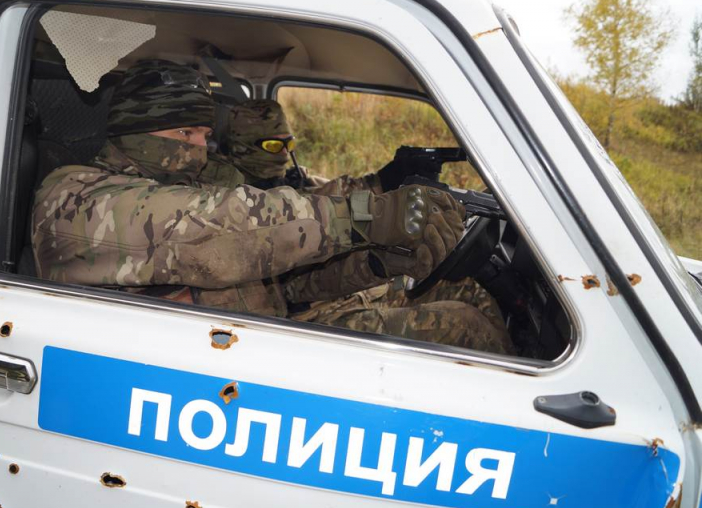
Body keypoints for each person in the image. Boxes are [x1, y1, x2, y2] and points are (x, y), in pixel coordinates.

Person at [31, 60, 510, 353]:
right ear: (135, 129)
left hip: (261, 332)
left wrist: (375, 264)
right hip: (207, 362)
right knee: (462, 329)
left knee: (464, 293)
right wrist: (367, 217)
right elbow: (222, 226)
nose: (199, 149)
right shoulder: (75, 198)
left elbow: (284, 284)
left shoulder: (190, 182)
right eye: (185, 133)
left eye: (204, 134)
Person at [215, 98, 511, 349]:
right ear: (241, 147)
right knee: (467, 326)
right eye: (272, 145)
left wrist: (379, 257)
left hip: (340, 289)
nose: (284, 153)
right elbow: (310, 225)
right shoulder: (236, 205)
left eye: (288, 144)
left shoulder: (287, 179)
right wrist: (375, 237)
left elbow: (324, 195)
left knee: (466, 288)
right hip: (306, 318)